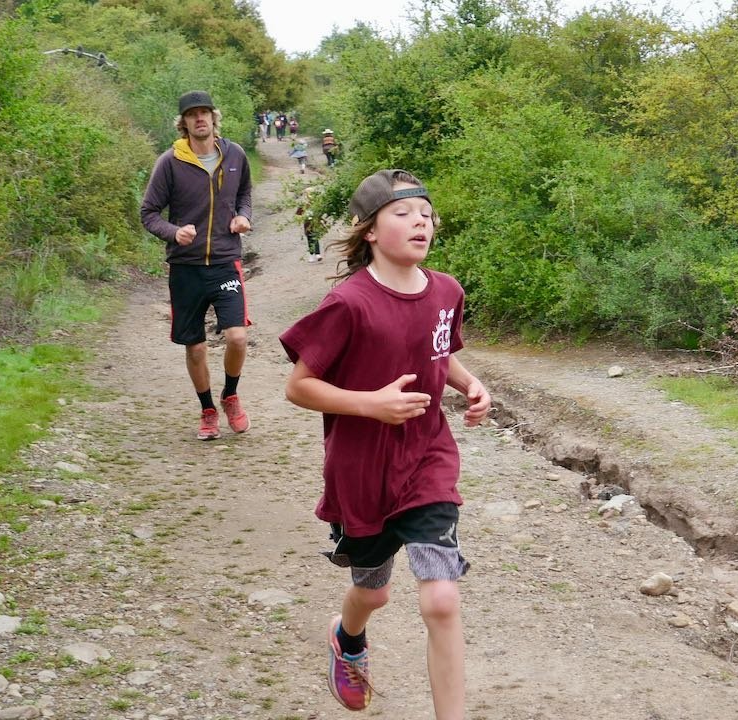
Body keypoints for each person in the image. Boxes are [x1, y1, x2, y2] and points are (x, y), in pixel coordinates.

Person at [279, 169, 490, 717]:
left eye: (426, 213)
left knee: (442, 600)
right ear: (370, 230)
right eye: (403, 213)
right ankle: (347, 638)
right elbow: (299, 386)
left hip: (427, 461)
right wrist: (370, 404)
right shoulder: (348, 302)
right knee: (373, 592)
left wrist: (469, 384)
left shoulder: (446, 291)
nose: (420, 221)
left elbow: (440, 352)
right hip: (362, 471)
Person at [140, 90, 254, 441]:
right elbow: (148, 213)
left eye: (205, 113)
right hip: (186, 268)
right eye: (193, 115)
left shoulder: (234, 154)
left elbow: (245, 194)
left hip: (224, 261)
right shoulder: (170, 162)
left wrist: (243, 217)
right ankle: (207, 409)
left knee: (237, 336)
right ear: (184, 122)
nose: (200, 119)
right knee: (196, 346)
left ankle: (230, 395)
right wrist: (174, 233)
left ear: (214, 118)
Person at [296, 188, 321, 262]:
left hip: (315, 222)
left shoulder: (316, 203)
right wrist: (301, 218)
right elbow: (298, 214)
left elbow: (320, 212)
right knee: (310, 238)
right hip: (307, 224)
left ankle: (317, 253)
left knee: (315, 237)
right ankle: (311, 254)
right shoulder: (303, 204)